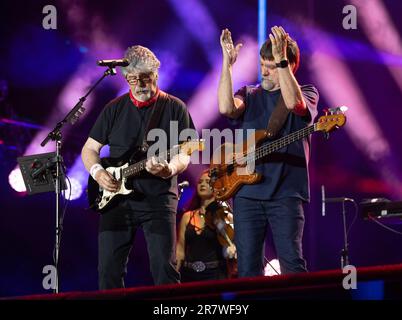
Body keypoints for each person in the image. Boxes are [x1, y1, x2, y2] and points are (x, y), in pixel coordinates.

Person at [81, 45, 195, 289]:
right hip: (116, 200)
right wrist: (98, 173)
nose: (142, 85)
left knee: (165, 269)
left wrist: (168, 169)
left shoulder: (175, 107)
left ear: (156, 74)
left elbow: (186, 152)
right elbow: (89, 149)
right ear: (126, 77)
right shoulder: (114, 108)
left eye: (147, 78)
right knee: (109, 271)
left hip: (159, 199)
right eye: (135, 79)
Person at [217, 26, 319, 277]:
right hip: (247, 195)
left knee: (293, 266)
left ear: (290, 64)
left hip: (286, 195)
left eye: (271, 65)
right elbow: (226, 108)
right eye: (263, 63)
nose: (264, 70)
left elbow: (296, 104)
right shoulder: (250, 94)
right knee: (248, 271)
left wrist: (281, 61)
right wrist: (227, 65)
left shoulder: (307, 92)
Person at [176, 170, 236, 282]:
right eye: (200, 182)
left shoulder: (225, 215)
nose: (202, 184)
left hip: (215, 275)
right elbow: (180, 250)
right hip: (188, 275)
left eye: (207, 182)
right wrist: (174, 277)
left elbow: (232, 247)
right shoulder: (187, 216)